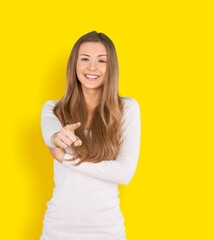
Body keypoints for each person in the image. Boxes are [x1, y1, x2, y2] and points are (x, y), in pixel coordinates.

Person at [39, 31, 141, 240]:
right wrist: (57, 137)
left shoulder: (127, 109)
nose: (92, 67)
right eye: (84, 59)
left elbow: (124, 173)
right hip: (57, 230)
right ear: (74, 65)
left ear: (111, 67)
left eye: (101, 61)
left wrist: (66, 158)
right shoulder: (53, 109)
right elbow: (51, 133)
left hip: (107, 232)